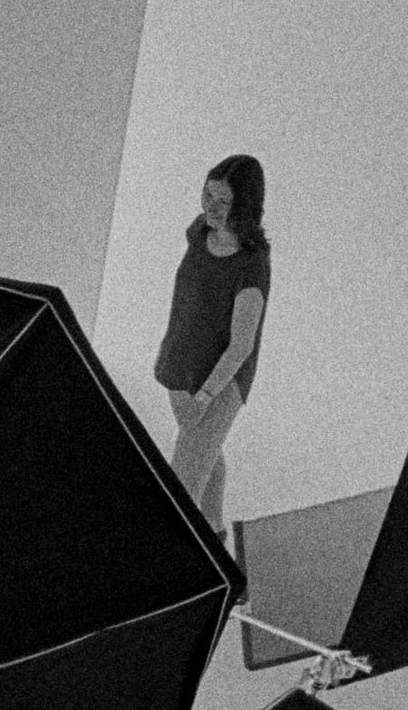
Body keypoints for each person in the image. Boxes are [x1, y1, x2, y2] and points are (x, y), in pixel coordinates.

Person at [153, 153, 271, 530]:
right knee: (204, 455)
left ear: (244, 206)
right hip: (180, 369)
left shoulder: (251, 265)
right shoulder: (198, 233)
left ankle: (180, 567)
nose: (211, 207)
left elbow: (241, 345)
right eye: (208, 195)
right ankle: (217, 540)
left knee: (182, 485)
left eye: (223, 201)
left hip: (218, 384)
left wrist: (204, 398)